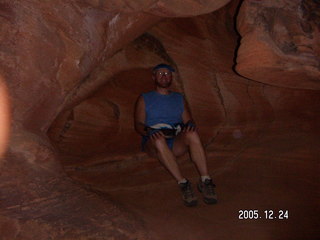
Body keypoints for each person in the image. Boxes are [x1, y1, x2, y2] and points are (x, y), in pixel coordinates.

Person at [134, 63, 217, 207]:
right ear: (154, 77)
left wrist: (190, 123)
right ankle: (183, 183)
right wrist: (149, 131)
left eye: (167, 74)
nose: (164, 76)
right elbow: (138, 124)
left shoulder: (179, 98)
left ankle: (205, 180)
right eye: (160, 74)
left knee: (192, 134)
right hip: (153, 141)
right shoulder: (145, 98)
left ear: (172, 77)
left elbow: (188, 120)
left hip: (174, 139)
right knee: (159, 140)